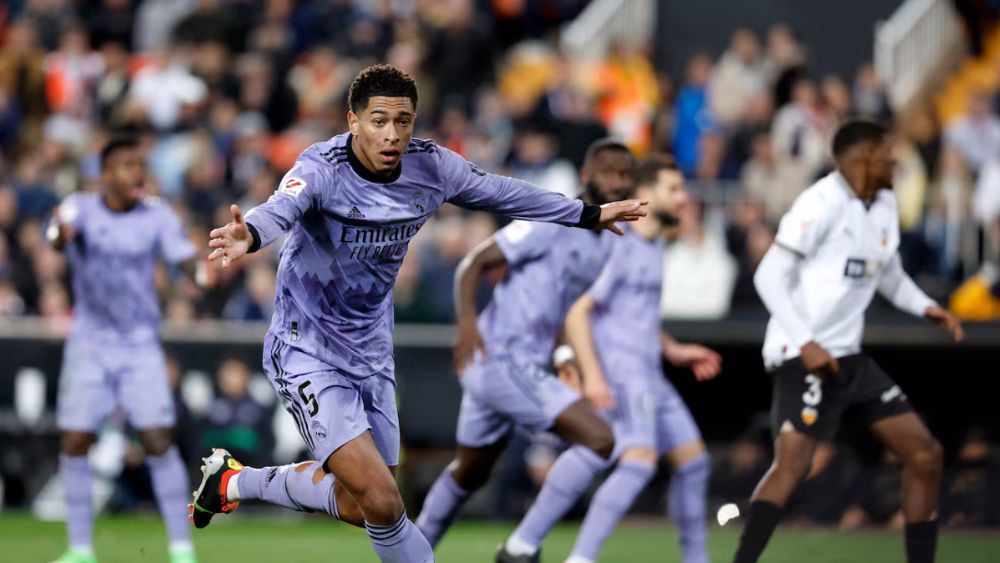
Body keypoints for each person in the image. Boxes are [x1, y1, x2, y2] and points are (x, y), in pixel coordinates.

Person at [190, 65, 645, 563]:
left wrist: (587, 213)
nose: (391, 134)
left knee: (360, 504)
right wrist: (249, 235)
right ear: (353, 122)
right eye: (379, 120)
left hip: (372, 350)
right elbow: (280, 207)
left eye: (403, 121)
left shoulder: (433, 168)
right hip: (306, 349)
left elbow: (504, 192)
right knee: (385, 502)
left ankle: (233, 482)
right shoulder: (321, 168)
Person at [732, 119, 965, 563]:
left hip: (847, 356)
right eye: (887, 151)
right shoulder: (819, 203)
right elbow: (769, 275)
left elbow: (889, 274)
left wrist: (924, 306)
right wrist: (806, 342)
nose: (895, 159)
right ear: (861, 157)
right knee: (794, 464)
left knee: (924, 454)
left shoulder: (884, 204)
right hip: (802, 352)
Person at [414, 139, 636, 560]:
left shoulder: (606, 244)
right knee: (600, 439)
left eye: (625, 174)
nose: (617, 181)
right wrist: (465, 327)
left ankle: (409, 553)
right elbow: (473, 262)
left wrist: (565, 356)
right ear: (586, 177)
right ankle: (520, 548)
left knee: (469, 474)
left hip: (518, 366)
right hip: (501, 358)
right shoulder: (551, 219)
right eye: (608, 172)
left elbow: (559, 310)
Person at [498, 156, 722, 563]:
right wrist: (594, 375)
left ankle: (522, 543)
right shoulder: (619, 242)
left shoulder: (654, 245)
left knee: (692, 462)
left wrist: (672, 348)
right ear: (648, 193)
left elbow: (635, 313)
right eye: (673, 189)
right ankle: (578, 557)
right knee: (635, 462)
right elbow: (578, 310)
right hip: (621, 370)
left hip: (650, 368)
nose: (682, 197)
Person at [48, 137, 203, 563]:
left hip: (139, 345)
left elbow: (183, 256)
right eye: (127, 165)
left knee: (156, 439)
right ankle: (80, 549)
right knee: (77, 439)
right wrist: (60, 234)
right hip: (90, 343)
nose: (137, 172)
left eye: (140, 164)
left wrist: (200, 273)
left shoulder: (157, 215)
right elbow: (56, 235)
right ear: (105, 175)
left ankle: (180, 547)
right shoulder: (79, 206)